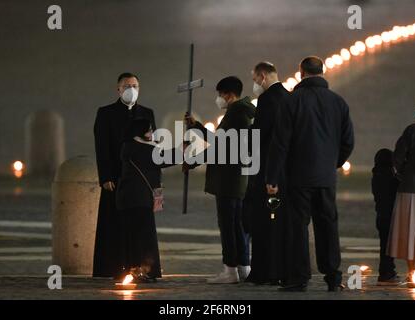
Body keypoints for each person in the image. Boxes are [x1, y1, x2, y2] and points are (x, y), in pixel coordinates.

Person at [266, 56, 354, 292]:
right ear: (322, 72)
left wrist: (272, 177)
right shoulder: (338, 102)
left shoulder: (292, 102)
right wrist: (332, 163)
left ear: (301, 72)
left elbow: (280, 143)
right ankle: (333, 277)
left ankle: (298, 277)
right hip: (326, 178)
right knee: (328, 226)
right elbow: (348, 141)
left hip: (298, 177)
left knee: (298, 228)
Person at [184, 76, 255, 284]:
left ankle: (230, 270)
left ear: (229, 94)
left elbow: (219, 149)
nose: (219, 99)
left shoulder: (235, 115)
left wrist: (193, 161)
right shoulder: (243, 112)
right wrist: (197, 127)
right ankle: (243, 268)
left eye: (220, 94)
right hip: (237, 178)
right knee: (236, 225)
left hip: (227, 179)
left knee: (228, 225)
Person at [93, 72, 156, 278]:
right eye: (127, 85)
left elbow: (152, 147)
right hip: (116, 178)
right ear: (118, 89)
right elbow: (102, 147)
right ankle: (114, 268)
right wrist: (105, 176)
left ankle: (143, 268)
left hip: (140, 179)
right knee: (115, 224)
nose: (132, 89)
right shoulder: (105, 113)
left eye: (135, 85)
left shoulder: (147, 113)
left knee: (141, 225)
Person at [244, 62, 291, 285]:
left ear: (262, 76)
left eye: (254, 80)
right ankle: (279, 270)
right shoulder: (289, 97)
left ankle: (262, 272)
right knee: (279, 222)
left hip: (266, 169)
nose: (255, 84)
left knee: (262, 222)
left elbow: (260, 136)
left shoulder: (266, 99)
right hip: (285, 170)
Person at [116, 118, 178, 283]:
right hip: (139, 199)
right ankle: (143, 270)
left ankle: (133, 269)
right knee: (144, 237)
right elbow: (163, 158)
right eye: (149, 130)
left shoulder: (130, 147)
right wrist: (183, 151)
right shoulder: (141, 149)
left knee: (133, 236)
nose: (152, 133)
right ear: (140, 132)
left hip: (129, 199)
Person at [387, 94, 415, 285]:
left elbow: (397, 159)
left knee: (410, 230)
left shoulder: (412, 131)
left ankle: (412, 271)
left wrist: (401, 175)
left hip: (411, 188)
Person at [371, 148, 399, 285]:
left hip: (380, 216)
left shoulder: (376, 176)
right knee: (388, 246)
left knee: (384, 245)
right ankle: (387, 272)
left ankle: (387, 271)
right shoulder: (390, 177)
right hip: (389, 216)